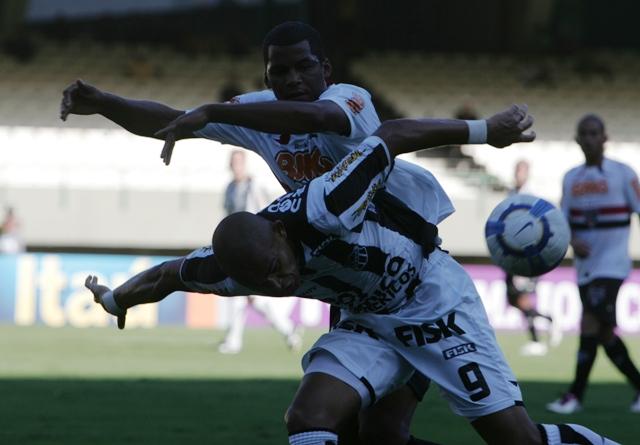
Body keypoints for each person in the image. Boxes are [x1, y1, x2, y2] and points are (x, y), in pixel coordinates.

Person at [86, 107, 619, 445]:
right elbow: (170, 275)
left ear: (277, 232)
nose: (277, 285)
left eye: (276, 270)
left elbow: (392, 134)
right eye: (261, 283)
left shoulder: (326, 203)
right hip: (368, 323)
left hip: (433, 301)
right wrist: (118, 299)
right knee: (311, 418)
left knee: (515, 441)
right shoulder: (237, 266)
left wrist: (486, 131)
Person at [61, 21, 448, 445]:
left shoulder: (350, 101)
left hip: (413, 271)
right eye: (280, 72)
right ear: (267, 77)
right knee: (364, 433)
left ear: (327, 70)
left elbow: (316, 117)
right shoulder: (259, 113)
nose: (293, 79)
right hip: (349, 280)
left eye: (304, 67)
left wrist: (217, 111)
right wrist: (104, 103)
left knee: (376, 432)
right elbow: (174, 121)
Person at [546, 114, 640, 415]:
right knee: (601, 332)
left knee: (589, 322)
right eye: (584, 134)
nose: (589, 139)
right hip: (585, 267)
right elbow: (563, 223)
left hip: (612, 265)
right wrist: (573, 242)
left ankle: (574, 396)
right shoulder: (570, 178)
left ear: (604, 138)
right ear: (576, 139)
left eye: (594, 133)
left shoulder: (624, 174)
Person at [218, 149, 302, 354]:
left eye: (238, 163)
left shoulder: (253, 186)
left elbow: (265, 214)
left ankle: (285, 331)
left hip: (253, 247)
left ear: (244, 165)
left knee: (251, 298)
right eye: (233, 163)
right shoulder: (230, 188)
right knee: (246, 299)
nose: (235, 167)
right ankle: (286, 331)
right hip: (237, 248)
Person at [505, 160, 559, 356]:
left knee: (522, 297)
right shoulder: (512, 193)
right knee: (512, 298)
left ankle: (536, 341)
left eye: (521, 171)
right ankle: (548, 320)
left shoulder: (530, 195)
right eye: (516, 171)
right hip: (511, 253)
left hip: (525, 254)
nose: (518, 175)